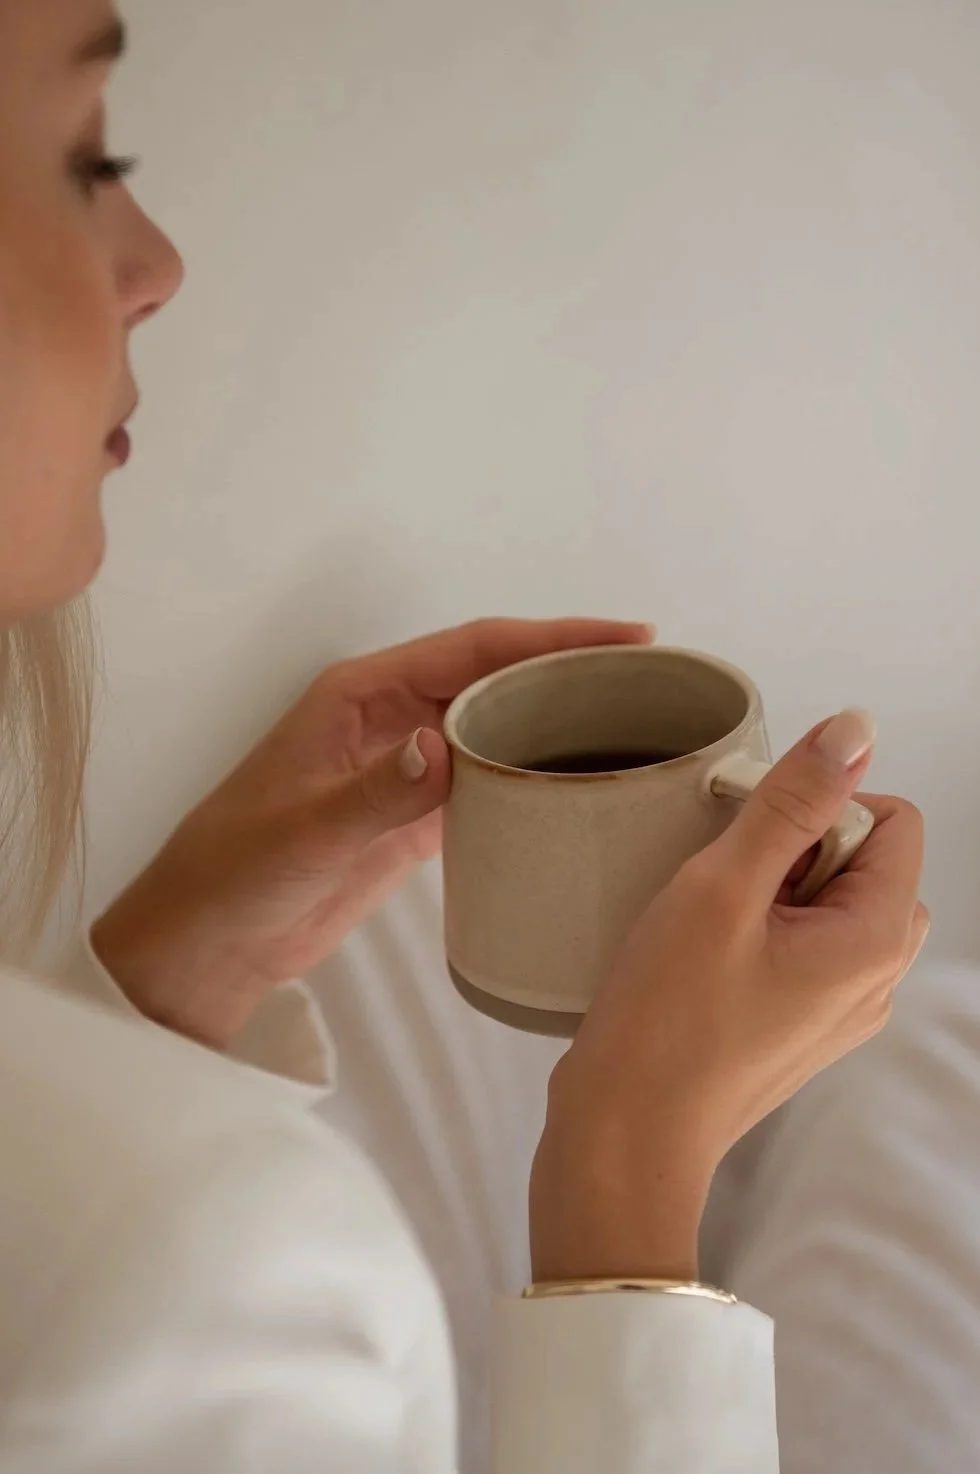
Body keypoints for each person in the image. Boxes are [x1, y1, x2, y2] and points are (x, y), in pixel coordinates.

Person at [0, 2, 927, 1470]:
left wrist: (176, 973)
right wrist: (629, 1204)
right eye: (83, 157)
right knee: (953, 1063)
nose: (160, 266)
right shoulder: (208, 1277)